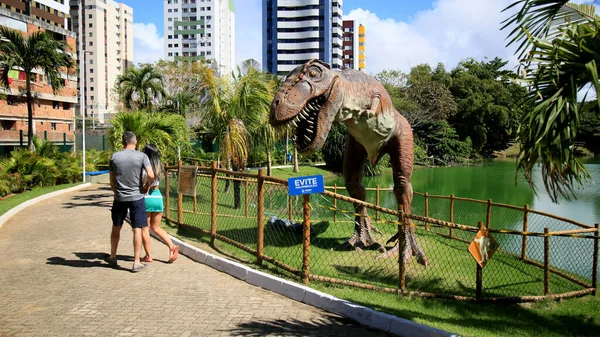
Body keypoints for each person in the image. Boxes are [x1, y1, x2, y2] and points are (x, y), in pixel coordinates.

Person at [105, 131, 154, 272]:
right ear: (135, 142)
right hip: (137, 197)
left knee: (116, 226)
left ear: (123, 142)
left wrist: (117, 192)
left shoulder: (114, 157)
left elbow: (112, 180)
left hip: (120, 198)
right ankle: (136, 262)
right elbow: (151, 174)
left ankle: (113, 256)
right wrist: (146, 186)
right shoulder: (142, 156)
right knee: (137, 229)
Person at [140, 144, 179, 263]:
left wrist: (145, 186)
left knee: (145, 228)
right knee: (156, 227)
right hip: (157, 196)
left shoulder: (144, 168)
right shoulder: (159, 167)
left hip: (146, 197)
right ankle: (172, 246)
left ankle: (148, 256)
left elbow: (143, 182)